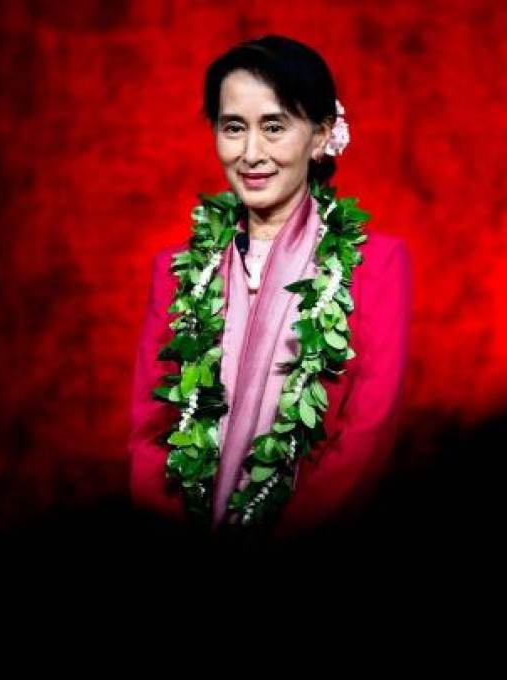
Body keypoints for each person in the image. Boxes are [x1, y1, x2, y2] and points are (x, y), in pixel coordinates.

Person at [127, 35, 411, 544]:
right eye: (234, 127)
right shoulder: (175, 270)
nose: (251, 153)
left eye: (274, 127)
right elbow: (152, 429)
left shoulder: (377, 264)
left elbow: (367, 432)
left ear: (321, 136)